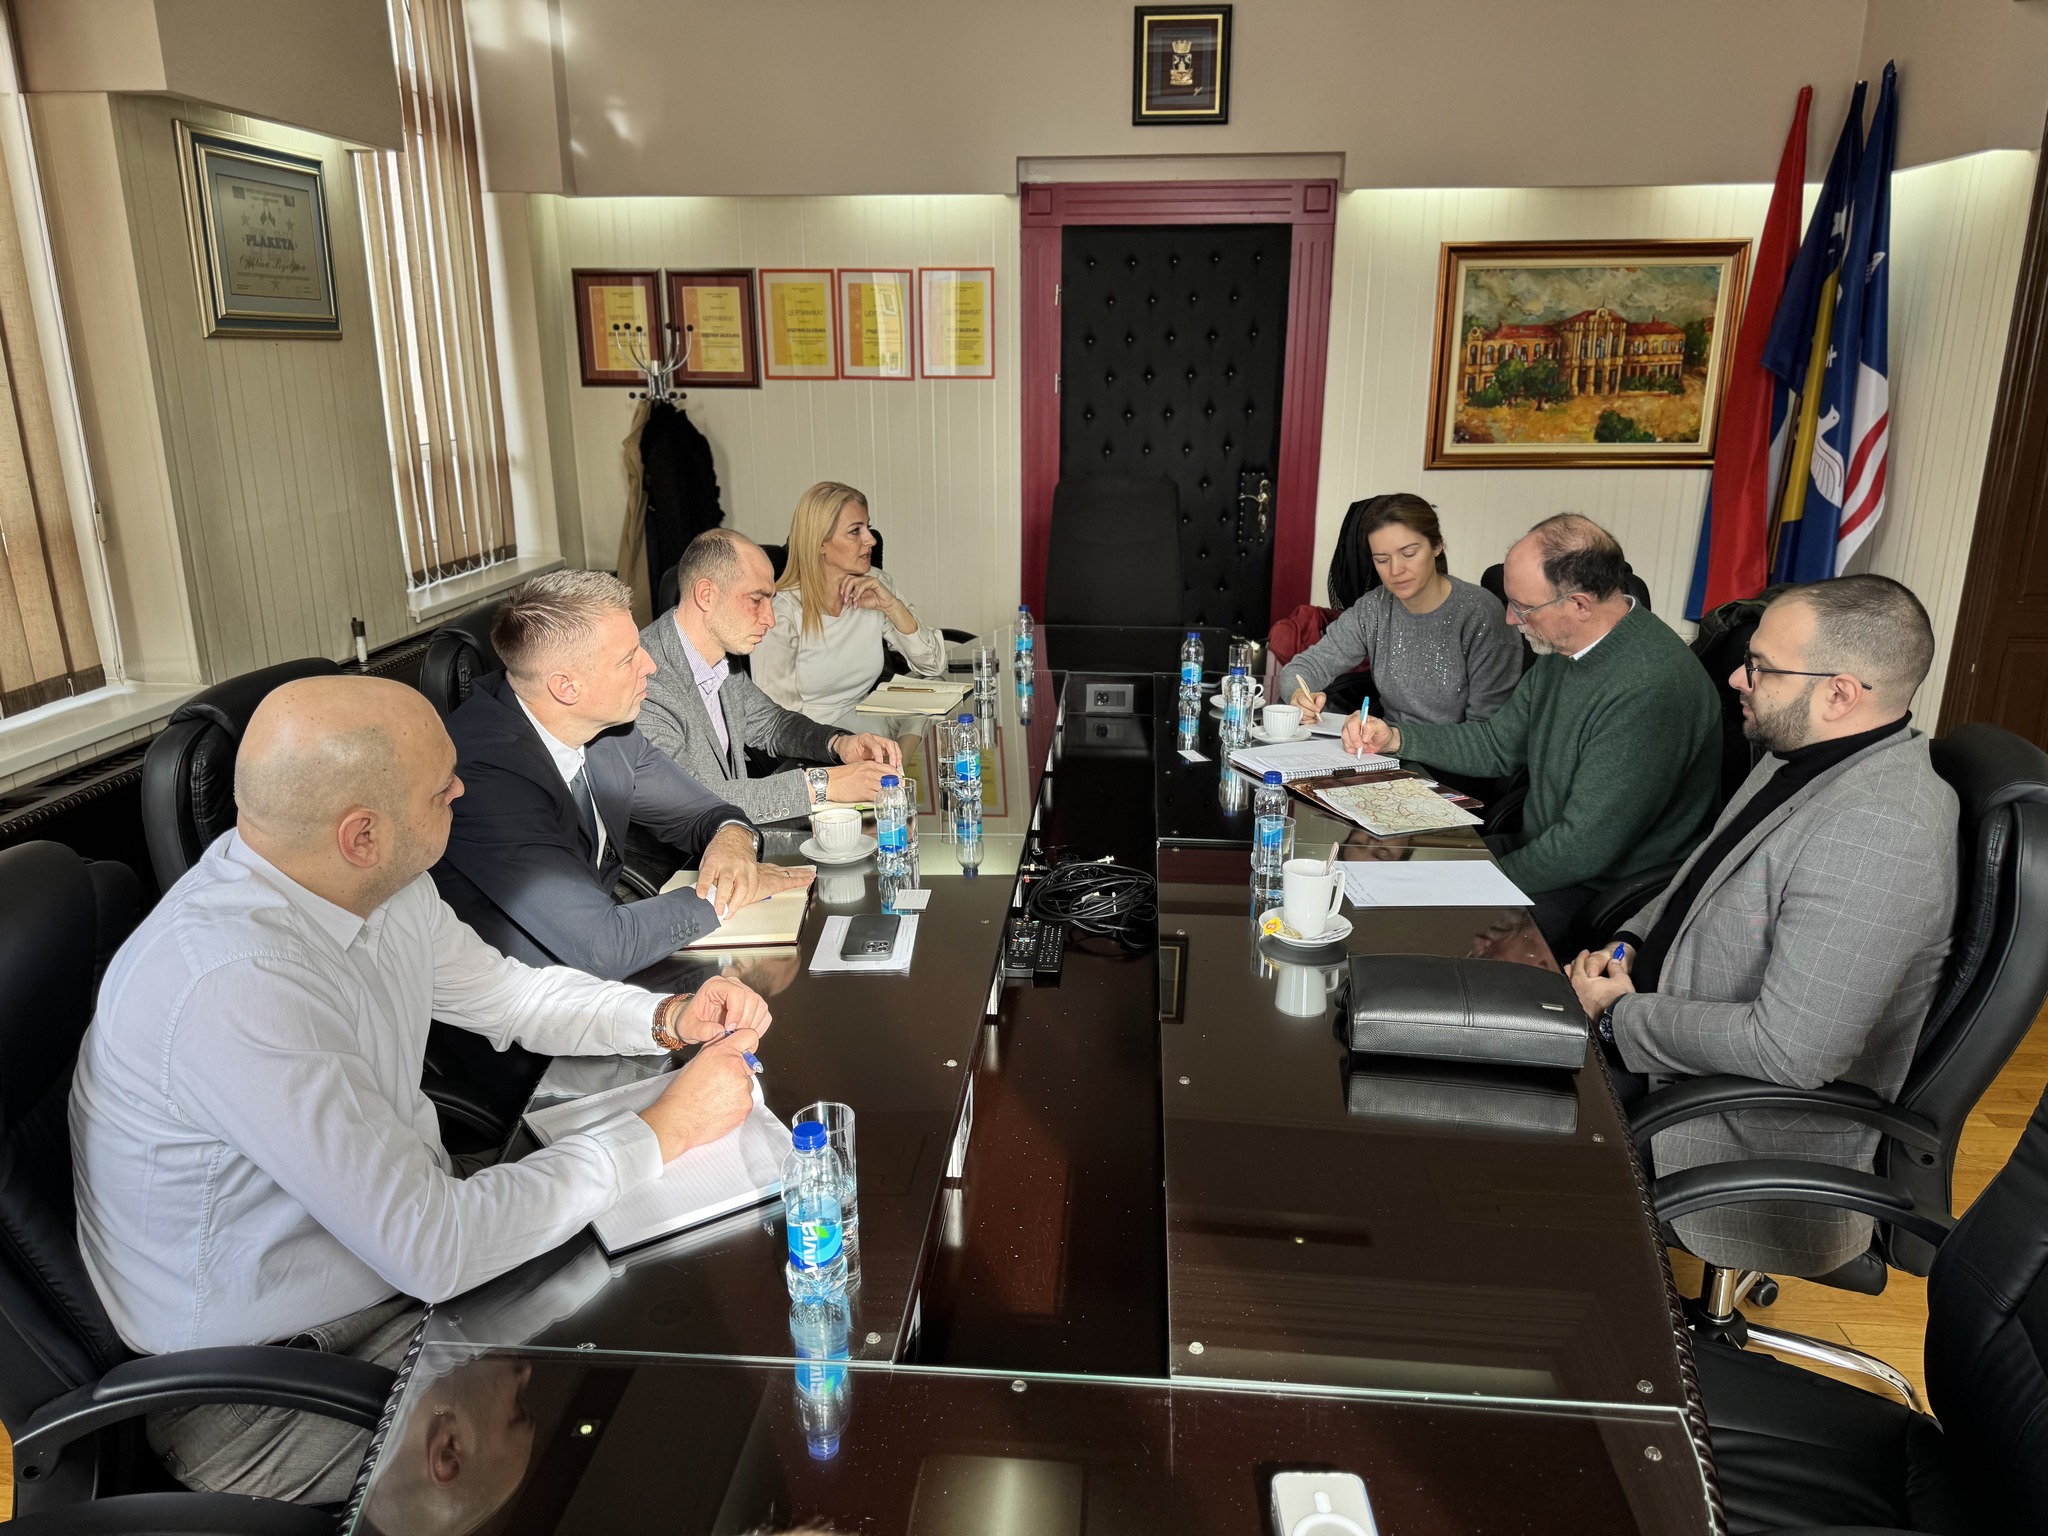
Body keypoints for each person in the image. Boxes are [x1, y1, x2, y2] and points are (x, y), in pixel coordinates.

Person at [70, 675, 777, 1505]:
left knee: (663, 1272)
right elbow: (434, 1246)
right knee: (581, 1429)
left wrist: (665, 1018)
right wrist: (665, 1129)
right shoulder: (230, 982)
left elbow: (509, 997)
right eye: (442, 788)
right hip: (266, 1382)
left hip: (389, 1260)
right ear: (362, 834)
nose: (463, 790)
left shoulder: (374, 881)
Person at [1566, 576, 1958, 1278]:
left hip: (1723, 1118)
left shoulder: (1880, 827)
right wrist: (1627, 945)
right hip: (1659, 1033)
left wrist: (1617, 1018)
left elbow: (1789, 1053)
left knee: (1486, 1121)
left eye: (1762, 667)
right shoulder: (1795, 752)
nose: (1736, 678)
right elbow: (1695, 883)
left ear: (1840, 693)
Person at [1343, 514, 1719, 953]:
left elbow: (1582, 849)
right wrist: (1396, 738)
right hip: (1544, 848)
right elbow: (1496, 745)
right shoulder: (1566, 645)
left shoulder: (1649, 689)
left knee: (1422, 936)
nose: (1510, 618)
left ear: (1579, 605)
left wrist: (1464, 884)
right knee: (1383, 883)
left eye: (1522, 608)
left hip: (1601, 886)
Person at [433, 570, 813, 984]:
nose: (649, 665)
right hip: (526, 996)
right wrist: (728, 894)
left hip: (600, 967)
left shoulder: (607, 727)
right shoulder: (486, 776)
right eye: (629, 657)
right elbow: (604, 946)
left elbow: (705, 812)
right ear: (566, 687)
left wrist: (733, 841)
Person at [640, 527, 903, 824]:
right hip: (684, 850)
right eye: (756, 600)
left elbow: (772, 725)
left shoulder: (720, 660)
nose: (770, 619)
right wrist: (826, 785)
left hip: (733, 835)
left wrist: (838, 744)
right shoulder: (644, 679)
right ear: (706, 595)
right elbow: (690, 801)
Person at [1281, 493, 1521, 729]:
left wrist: (1397, 739)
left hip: (1449, 754)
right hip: (1384, 747)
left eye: (1409, 554)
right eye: (1382, 560)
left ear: (1437, 545)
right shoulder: (1374, 608)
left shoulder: (1481, 614)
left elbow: (1487, 736)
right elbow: (1303, 668)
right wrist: (1299, 696)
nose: (1396, 570)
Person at [752, 481, 948, 728]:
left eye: (868, 528)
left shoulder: (874, 583)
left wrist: (892, 606)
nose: (871, 540)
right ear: (820, 543)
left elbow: (933, 665)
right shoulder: (780, 613)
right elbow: (776, 723)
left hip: (870, 724)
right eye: (855, 531)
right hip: (817, 738)